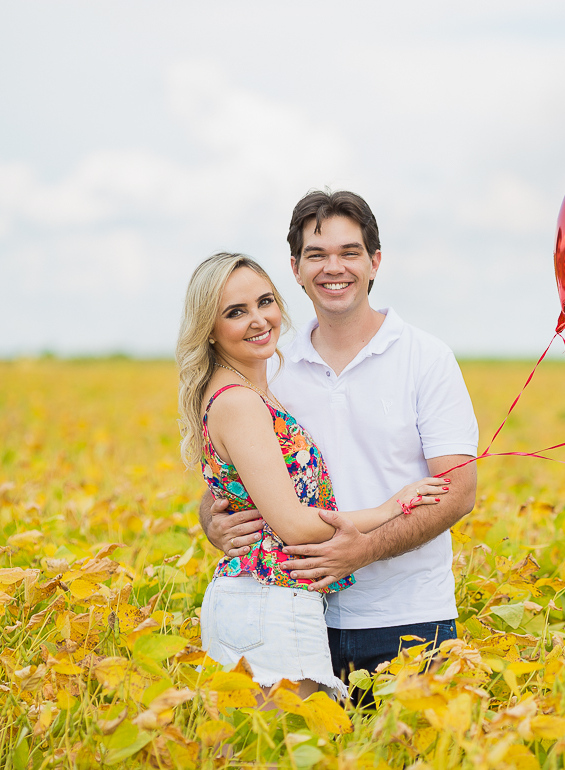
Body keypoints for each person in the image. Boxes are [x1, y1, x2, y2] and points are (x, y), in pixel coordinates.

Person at [199, 190, 480, 704]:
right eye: (317, 254)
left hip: (410, 616)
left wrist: (362, 550)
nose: (335, 268)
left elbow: (458, 492)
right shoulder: (269, 361)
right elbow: (233, 470)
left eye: (350, 252)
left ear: (374, 262)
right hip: (297, 612)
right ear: (295, 268)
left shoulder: (427, 358)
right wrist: (212, 520)